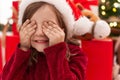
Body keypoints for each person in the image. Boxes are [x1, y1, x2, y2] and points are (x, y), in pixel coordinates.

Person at [1, 0, 88, 80]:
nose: (39, 33)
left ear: (63, 29)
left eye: (48, 25)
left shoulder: (76, 54)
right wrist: (23, 48)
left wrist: (56, 50)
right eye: (32, 26)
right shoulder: (22, 55)